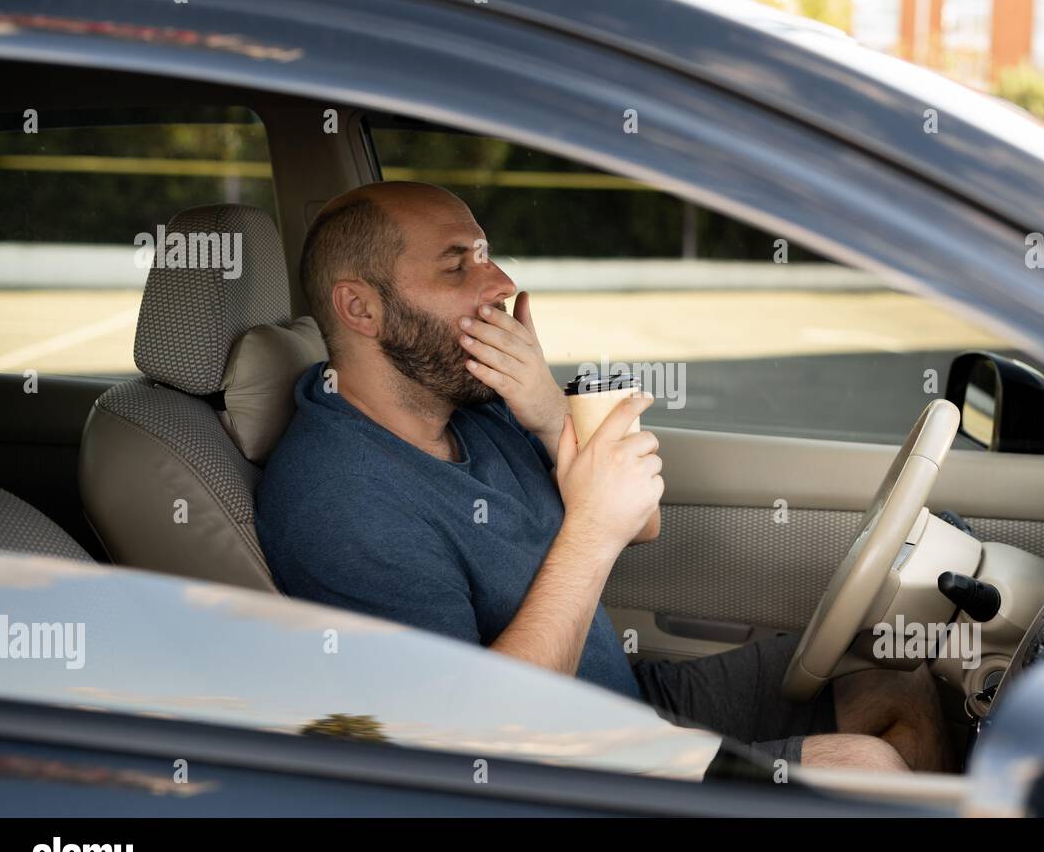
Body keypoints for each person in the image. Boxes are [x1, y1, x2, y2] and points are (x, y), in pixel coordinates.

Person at [256, 182, 951, 773]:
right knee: (868, 771)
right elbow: (472, 740)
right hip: (563, 767)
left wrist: (547, 412)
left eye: (487, 257)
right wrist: (588, 531)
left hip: (621, 702)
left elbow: (640, 519)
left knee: (896, 676)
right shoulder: (339, 502)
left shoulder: (474, 405)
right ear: (361, 308)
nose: (500, 285)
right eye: (456, 267)